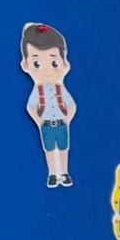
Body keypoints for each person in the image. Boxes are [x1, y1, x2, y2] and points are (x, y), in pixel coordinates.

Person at [20, 21, 77, 189]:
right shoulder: (38, 91)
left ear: (64, 64)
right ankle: (53, 173)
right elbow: (30, 107)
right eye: (37, 63)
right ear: (26, 65)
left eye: (54, 63)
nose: (46, 70)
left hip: (61, 123)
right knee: (50, 150)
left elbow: (72, 105)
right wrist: (39, 121)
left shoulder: (61, 89)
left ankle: (64, 173)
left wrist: (67, 119)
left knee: (64, 149)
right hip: (46, 125)